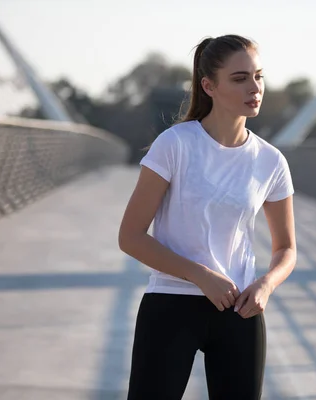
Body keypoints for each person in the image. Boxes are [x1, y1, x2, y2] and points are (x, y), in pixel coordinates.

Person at [118, 34, 297, 400]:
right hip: (171, 305)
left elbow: (286, 249)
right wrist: (200, 275)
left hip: (240, 311)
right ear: (208, 86)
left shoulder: (270, 161)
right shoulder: (176, 144)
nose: (254, 87)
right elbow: (131, 236)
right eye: (240, 78)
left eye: (258, 76)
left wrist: (266, 285)